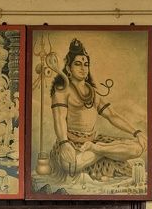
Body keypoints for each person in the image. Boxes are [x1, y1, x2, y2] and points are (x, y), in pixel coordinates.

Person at [49, 38, 145, 181]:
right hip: (72, 144)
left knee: (138, 148)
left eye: (86, 64)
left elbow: (112, 116)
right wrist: (64, 143)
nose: (83, 68)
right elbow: (59, 119)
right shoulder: (62, 91)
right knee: (70, 165)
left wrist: (136, 132)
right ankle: (106, 151)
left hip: (93, 142)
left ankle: (99, 149)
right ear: (69, 69)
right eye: (78, 64)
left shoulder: (92, 92)